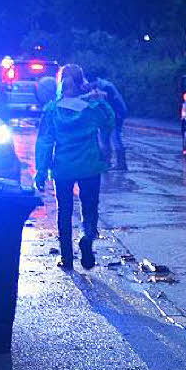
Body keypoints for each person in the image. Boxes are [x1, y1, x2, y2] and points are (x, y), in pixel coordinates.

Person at [35, 63, 115, 270]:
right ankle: (87, 237)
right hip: (89, 165)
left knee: (64, 211)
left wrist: (41, 172)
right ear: (82, 83)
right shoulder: (92, 108)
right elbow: (109, 124)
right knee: (89, 208)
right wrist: (100, 100)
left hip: (63, 168)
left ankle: (67, 258)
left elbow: (45, 142)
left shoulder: (53, 110)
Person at [89, 73, 128, 170]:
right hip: (110, 115)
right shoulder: (102, 85)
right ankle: (107, 162)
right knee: (105, 138)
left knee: (115, 138)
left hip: (117, 115)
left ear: (93, 82)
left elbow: (110, 103)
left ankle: (121, 164)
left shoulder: (106, 87)